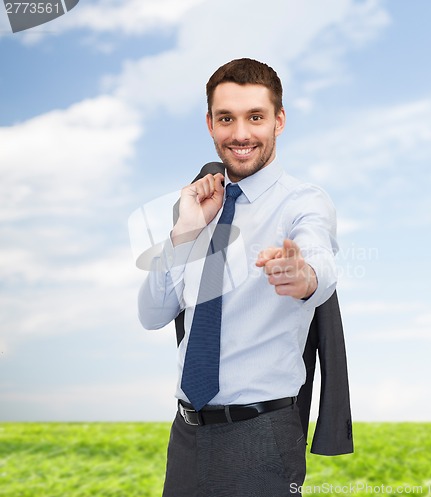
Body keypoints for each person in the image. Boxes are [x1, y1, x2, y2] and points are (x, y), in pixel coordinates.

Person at [138, 58, 339, 497]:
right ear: (210, 123)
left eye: (256, 117)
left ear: (278, 121)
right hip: (187, 433)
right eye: (227, 118)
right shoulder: (198, 204)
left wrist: (302, 275)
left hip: (261, 436)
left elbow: (320, 262)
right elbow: (151, 314)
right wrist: (184, 233)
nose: (241, 134)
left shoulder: (302, 203)